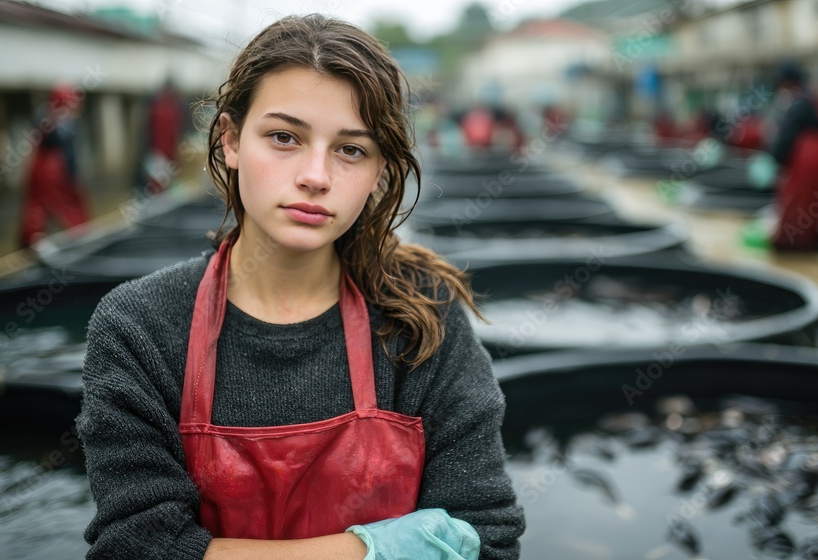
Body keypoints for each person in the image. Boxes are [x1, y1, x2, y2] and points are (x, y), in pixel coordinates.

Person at [76, 14, 525, 560]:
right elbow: (134, 548)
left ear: (380, 169)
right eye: (284, 137)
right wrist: (369, 553)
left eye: (351, 149)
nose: (316, 175)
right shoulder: (140, 327)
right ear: (231, 140)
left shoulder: (421, 316)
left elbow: (489, 537)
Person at [766, 61, 818, 250]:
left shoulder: (799, 102)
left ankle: (790, 248)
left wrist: (774, 159)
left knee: (796, 207)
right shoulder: (816, 97)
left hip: (806, 165)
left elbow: (785, 139)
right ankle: (806, 245)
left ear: (788, 83)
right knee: (811, 207)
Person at [20, 84, 91, 247]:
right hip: (55, 170)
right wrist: (73, 177)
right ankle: (82, 240)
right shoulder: (63, 120)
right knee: (70, 206)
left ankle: (32, 239)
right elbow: (69, 153)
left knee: (37, 206)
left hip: (39, 168)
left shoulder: (44, 114)